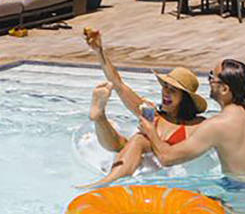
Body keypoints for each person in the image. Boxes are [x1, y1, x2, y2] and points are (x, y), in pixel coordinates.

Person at [82, 28, 208, 187]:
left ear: (186, 99)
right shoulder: (152, 112)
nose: (166, 93)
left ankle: (107, 177)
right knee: (125, 143)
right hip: (135, 163)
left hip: (159, 169)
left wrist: (150, 131)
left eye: (173, 90)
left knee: (139, 140)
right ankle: (100, 117)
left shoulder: (196, 125)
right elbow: (119, 84)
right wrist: (100, 51)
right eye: (165, 87)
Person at [138, 58, 245, 188]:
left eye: (211, 77)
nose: (208, 82)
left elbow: (167, 158)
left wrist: (150, 130)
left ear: (225, 89)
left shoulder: (218, 125)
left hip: (241, 192)